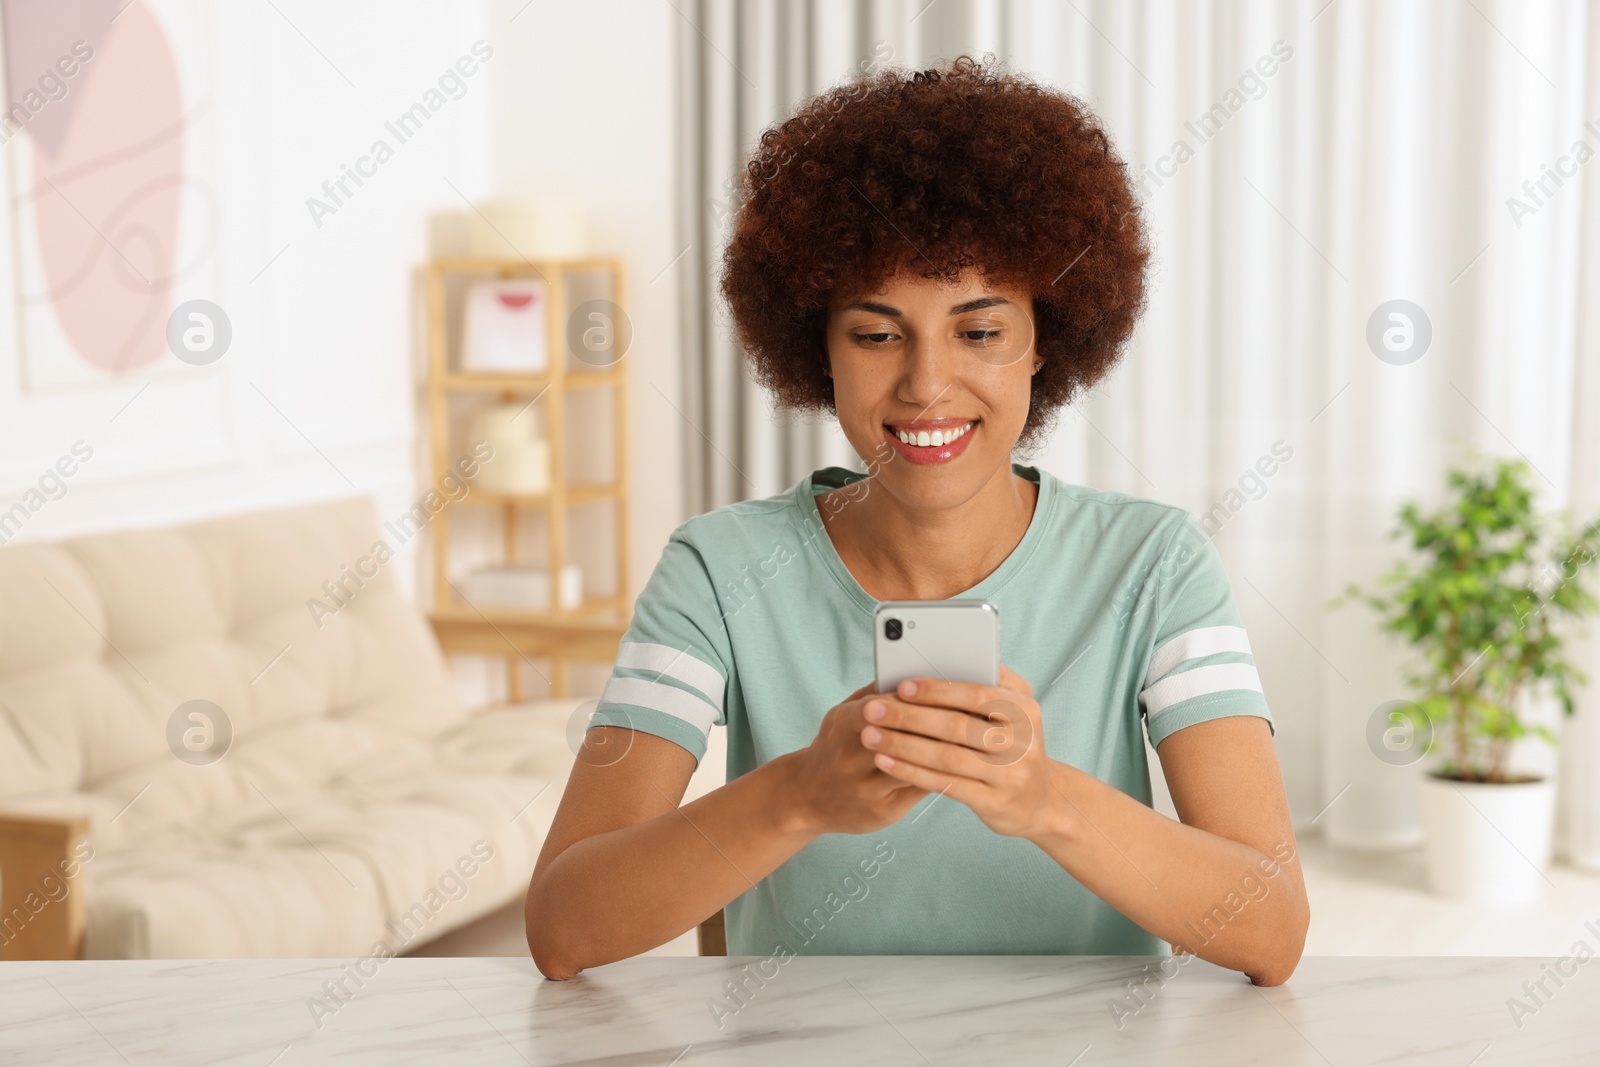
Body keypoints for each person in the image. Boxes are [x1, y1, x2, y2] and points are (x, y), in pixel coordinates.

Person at [527, 55, 1308, 985]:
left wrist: (1043, 799)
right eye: (875, 332)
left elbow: (1272, 929)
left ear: (1044, 340)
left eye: (979, 332)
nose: (927, 384)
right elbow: (562, 929)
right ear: (815, 345)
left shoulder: (1154, 563)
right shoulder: (717, 568)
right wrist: (798, 796)